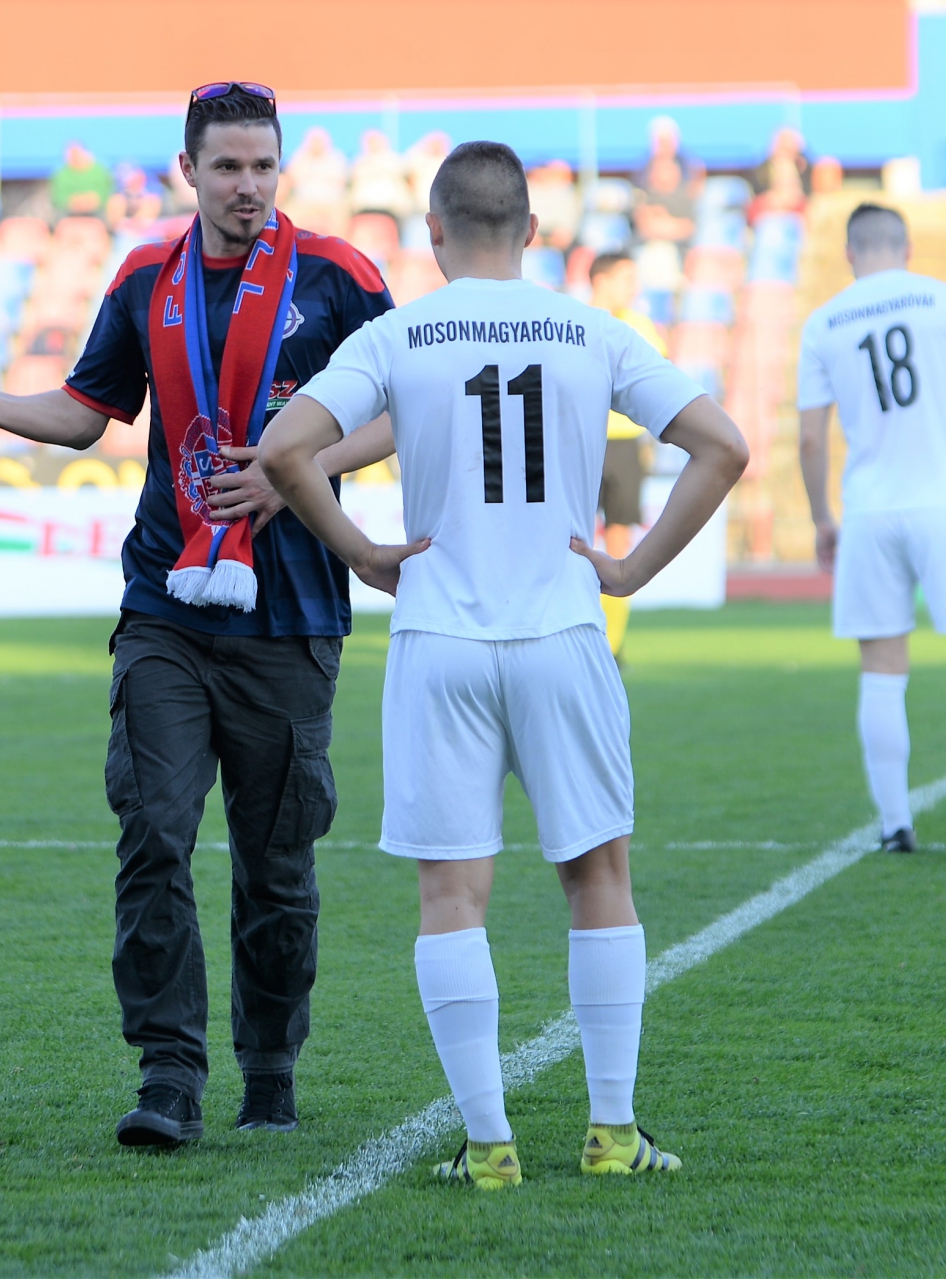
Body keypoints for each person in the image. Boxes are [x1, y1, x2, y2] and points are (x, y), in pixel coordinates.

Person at [0, 82, 397, 1147]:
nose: (248, 185)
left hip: (292, 616)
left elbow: (402, 407)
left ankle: (271, 1068)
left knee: (277, 866)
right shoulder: (144, 279)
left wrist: (296, 469)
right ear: (188, 171)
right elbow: (89, 411)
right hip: (164, 607)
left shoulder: (341, 277)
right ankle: (168, 1073)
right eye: (228, 167)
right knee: (154, 835)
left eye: (263, 165)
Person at [259, 139, 748, 1190]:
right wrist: (630, 569)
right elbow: (724, 445)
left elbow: (286, 448)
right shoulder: (589, 328)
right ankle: (612, 1133)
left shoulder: (398, 333)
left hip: (440, 636)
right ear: (532, 230)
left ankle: (488, 1146)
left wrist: (362, 553)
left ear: (433, 231)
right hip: (563, 630)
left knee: (451, 893)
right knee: (599, 876)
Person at [796, 204, 946, 857]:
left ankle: (893, 823)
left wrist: (821, 518)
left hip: (869, 512)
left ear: (850, 252)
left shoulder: (823, 322)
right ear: (906, 248)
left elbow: (810, 439)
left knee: (881, 669)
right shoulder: (943, 300)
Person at [586, 251, 664, 659]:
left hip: (626, 445)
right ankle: (577, 635)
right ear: (601, 280)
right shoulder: (574, 322)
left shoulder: (642, 327)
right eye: (626, 278)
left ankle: (611, 645)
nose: (634, 288)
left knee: (619, 544)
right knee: (573, 541)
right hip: (583, 442)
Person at [631, 116, 700, 247]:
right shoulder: (641, 179)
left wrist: (667, 224)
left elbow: (689, 227)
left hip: (680, 247)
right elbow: (643, 224)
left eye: (667, 141)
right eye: (659, 142)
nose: (663, 147)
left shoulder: (688, 179)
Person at [49, 141, 113, 218]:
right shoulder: (61, 174)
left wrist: (92, 200)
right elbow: (57, 197)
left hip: (97, 210)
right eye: (72, 155)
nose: (75, 157)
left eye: (77, 153)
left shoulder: (99, 171)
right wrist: (74, 201)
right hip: (70, 212)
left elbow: (108, 191)